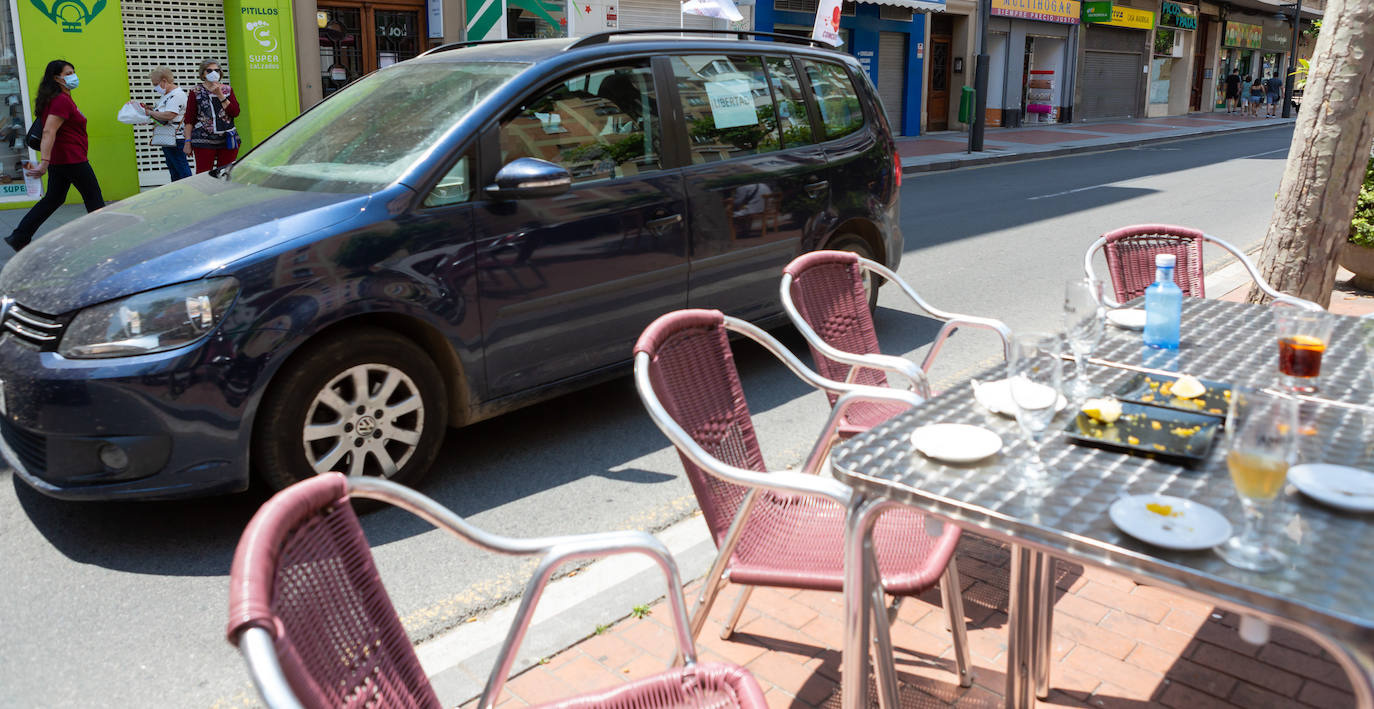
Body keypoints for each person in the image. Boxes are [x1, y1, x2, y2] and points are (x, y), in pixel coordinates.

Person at [4, 59, 104, 252]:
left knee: (54, 198)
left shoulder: (59, 98)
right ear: (56, 78)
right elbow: (49, 132)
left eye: (73, 72)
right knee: (94, 199)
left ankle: (19, 236)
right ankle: (103, 238)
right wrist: (44, 163)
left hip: (62, 159)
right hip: (72, 158)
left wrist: (48, 162)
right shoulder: (61, 101)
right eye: (68, 73)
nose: (73, 76)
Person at [183, 58, 240, 174]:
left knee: (226, 173)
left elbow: (235, 112)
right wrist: (187, 142)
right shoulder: (196, 91)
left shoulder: (227, 90)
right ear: (203, 74)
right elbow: (189, 119)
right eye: (209, 71)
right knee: (203, 174)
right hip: (204, 140)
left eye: (217, 70)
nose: (213, 73)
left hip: (227, 138)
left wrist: (220, 95)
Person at [142, 66, 190, 181]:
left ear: (164, 81)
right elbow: (160, 113)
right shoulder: (167, 95)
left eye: (156, 84)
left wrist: (150, 113)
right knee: (174, 170)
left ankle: (190, 192)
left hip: (175, 139)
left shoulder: (176, 95)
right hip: (169, 138)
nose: (155, 87)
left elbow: (169, 115)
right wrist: (150, 110)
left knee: (181, 169)